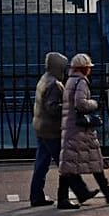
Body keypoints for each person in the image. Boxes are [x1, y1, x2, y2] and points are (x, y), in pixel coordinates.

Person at [57, 52, 109, 210]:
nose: (90, 70)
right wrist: (94, 104)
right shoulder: (80, 81)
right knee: (91, 161)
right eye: (88, 67)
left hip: (71, 127)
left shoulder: (70, 81)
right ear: (84, 68)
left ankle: (101, 193)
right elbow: (81, 104)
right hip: (80, 129)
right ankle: (105, 193)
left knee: (72, 163)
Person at [28, 51, 68, 206]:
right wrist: (68, 106)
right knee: (65, 163)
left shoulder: (44, 79)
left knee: (42, 163)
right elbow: (52, 108)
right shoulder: (54, 84)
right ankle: (79, 192)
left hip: (41, 127)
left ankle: (36, 196)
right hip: (51, 130)